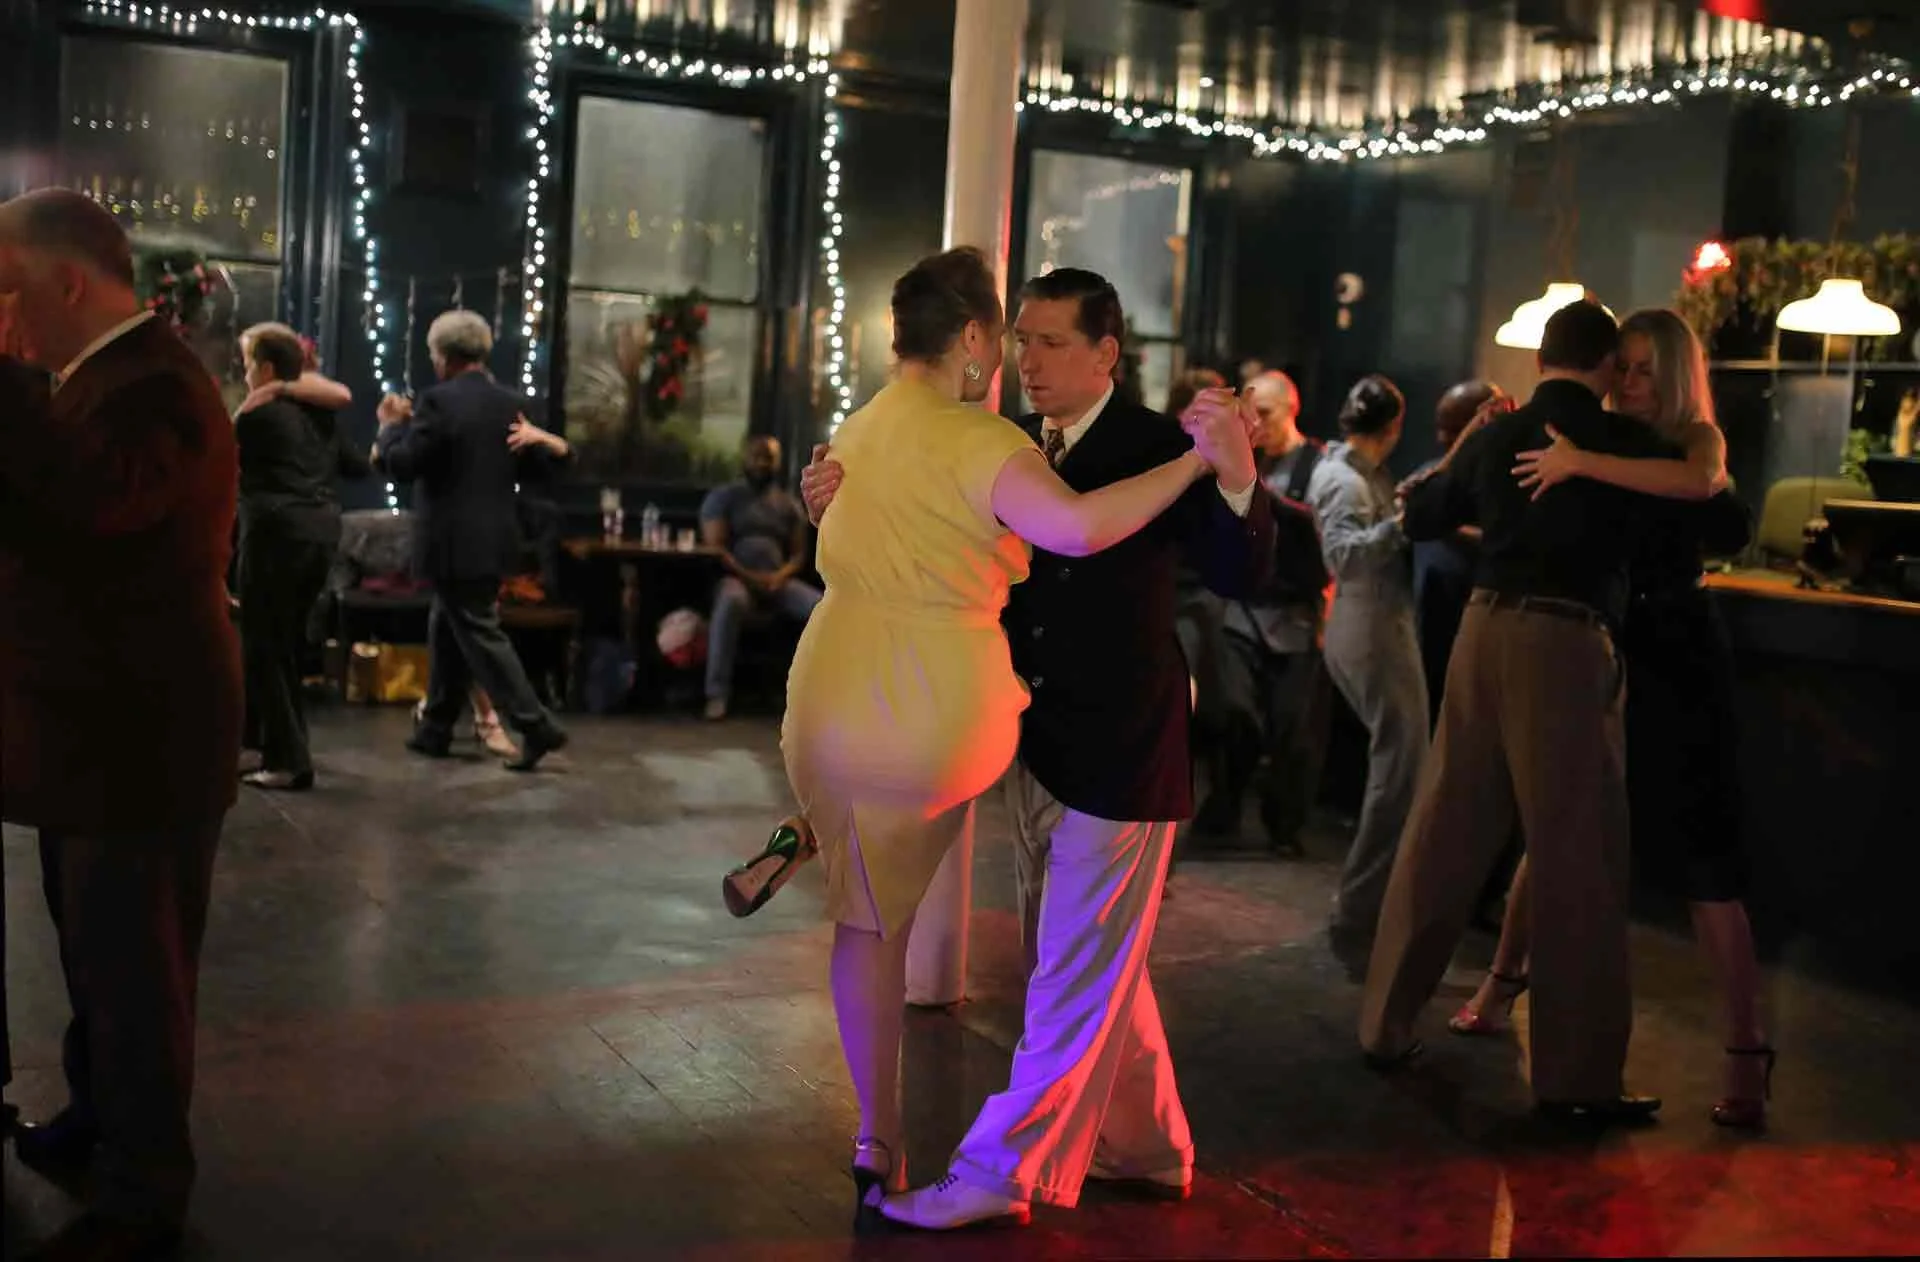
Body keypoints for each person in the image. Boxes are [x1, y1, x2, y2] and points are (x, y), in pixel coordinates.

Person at [787, 263, 1273, 1231]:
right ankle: (1147, 1145)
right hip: (1034, 739)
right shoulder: (1002, 440)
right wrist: (835, 503)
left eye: (1053, 342)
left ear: (1107, 352)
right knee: (1092, 959)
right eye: (1022, 339)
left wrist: (1235, 469)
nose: (1030, 360)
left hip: (1125, 744)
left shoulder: (1148, 442)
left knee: (1067, 974)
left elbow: (1241, 568)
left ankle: (1004, 1172)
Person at [1451, 308, 1770, 1127]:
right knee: (1559, 828)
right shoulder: (1604, 443)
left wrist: (1577, 460)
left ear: (1673, 376)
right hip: (1608, 645)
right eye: (1619, 367)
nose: (1626, 383)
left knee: (1707, 853)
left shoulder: (1691, 441)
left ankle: (1746, 1050)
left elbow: (1703, 487)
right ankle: (1499, 984)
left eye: (1642, 371)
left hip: (1680, 657)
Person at [1359, 300, 1674, 1125]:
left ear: (1539, 361)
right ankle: (1576, 1081)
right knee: (1579, 855)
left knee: (1442, 831)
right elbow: (1716, 524)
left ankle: (1385, 1025)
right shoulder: (1628, 442)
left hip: (1480, 630)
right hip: (1566, 642)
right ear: (1608, 365)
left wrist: (1466, 447)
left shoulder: (1497, 433)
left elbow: (1420, 513)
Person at [0, 187, 243, 1260]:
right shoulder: (103, 378)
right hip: (90, 734)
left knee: (137, 972)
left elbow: (87, 503)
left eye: (3, 285)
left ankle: (145, 1192)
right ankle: (99, 1119)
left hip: (143, 740)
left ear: (63, 280)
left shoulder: (160, 387)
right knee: (95, 953)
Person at [374, 310, 572, 771]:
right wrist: (559, 447)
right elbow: (538, 471)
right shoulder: (509, 402)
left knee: (479, 633)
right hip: (495, 539)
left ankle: (535, 723)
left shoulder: (437, 401)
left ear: (443, 356)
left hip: (451, 542)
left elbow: (403, 465)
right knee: (447, 628)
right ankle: (435, 728)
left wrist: (388, 428)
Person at [1306, 374, 1427, 969]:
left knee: (1399, 771)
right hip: (1370, 623)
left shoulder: (1354, 474)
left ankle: (1368, 913)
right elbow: (1346, 558)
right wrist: (1404, 525)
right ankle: (1359, 917)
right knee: (1400, 773)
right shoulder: (1345, 479)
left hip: (1372, 622)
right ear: (1396, 427)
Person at [1191, 369, 1331, 856]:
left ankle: (1284, 826)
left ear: (1291, 408)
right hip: (1243, 609)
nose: (1260, 424)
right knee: (1236, 715)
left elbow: (1320, 531)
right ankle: (1225, 807)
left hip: (1294, 614)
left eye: (1266, 414)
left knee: (1292, 727)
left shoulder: (1318, 465)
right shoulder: (1250, 459)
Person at [233, 322, 370, 790]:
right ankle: (269, 746)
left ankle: (288, 760)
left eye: (248, 363)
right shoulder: (319, 416)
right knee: (284, 644)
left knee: (264, 645)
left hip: (275, 532)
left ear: (267, 368)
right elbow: (357, 466)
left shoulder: (255, 417)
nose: (245, 372)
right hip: (321, 532)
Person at [700, 434, 821, 720]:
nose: (762, 463)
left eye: (769, 457)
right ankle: (716, 695)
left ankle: (816, 698)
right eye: (757, 456)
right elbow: (716, 548)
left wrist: (779, 576)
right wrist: (750, 577)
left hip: (778, 582)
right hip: (736, 579)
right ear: (745, 457)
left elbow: (798, 555)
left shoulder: (789, 504)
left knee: (822, 609)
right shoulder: (724, 498)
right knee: (730, 601)